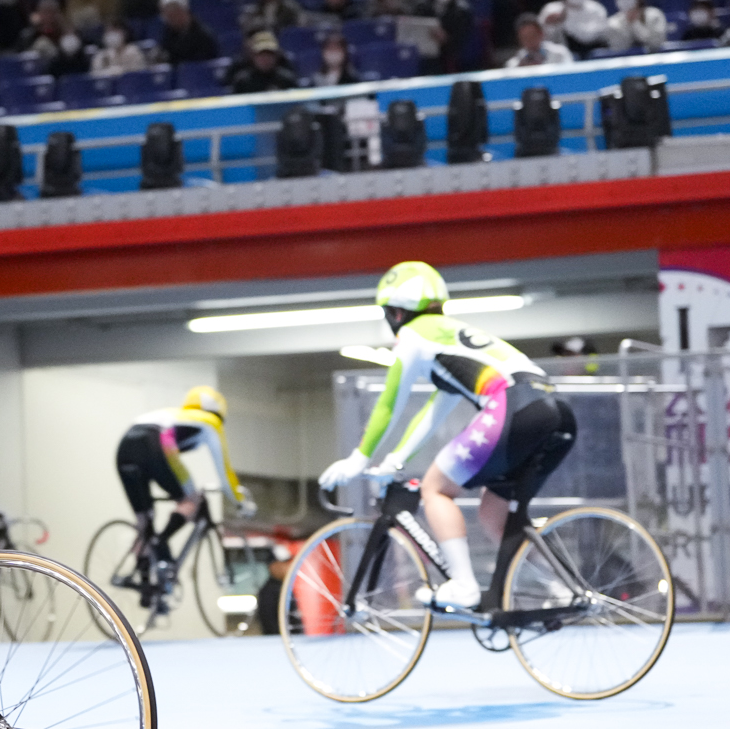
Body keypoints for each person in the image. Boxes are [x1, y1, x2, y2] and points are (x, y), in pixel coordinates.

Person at [318, 262, 575, 611]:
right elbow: (432, 412)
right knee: (495, 515)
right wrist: (396, 458)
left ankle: (464, 587)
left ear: (395, 312)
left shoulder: (414, 336)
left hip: (514, 404)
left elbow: (388, 405)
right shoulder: (450, 338)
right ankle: (562, 590)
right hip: (554, 408)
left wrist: (359, 457)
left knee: (435, 488)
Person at [111, 386, 254, 616]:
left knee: (143, 520)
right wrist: (239, 500)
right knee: (191, 499)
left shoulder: (174, 414)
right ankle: (161, 540)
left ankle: (146, 582)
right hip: (155, 445)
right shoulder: (210, 421)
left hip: (124, 449)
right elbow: (224, 470)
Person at [537, 0, 610, 57]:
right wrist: (548, 25)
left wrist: (565, 21)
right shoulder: (551, 9)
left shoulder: (596, 9)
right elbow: (540, 40)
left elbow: (590, 36)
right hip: (561, 59)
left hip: (592, 56)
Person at [427, 0, 477, 73]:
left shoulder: (463, 11)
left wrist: (446, 39)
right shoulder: (423, 5)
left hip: (448, 60)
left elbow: (463, 44)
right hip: (424, 55)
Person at [604, 0, 668, 52]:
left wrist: (636, 24)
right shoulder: (613, 22)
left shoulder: (654, 15)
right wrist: (628, 23)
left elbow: (657, 43)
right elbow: (618, 48)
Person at [157, 0, 220, 65]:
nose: (173, 18)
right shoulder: (167, 34)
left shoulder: (202, 35)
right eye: (168, 15)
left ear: (185, 11)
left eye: (176, 13)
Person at [225, 31, 298, 93]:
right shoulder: (242, 82)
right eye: (261, 55)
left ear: (276, 56)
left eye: (269, 54)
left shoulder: (287, 80)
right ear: (253, 56)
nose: (265, 59)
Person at [505, 14, 573, 67]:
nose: (529, 40)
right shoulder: (514, 64)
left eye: (532, 35)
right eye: (525, 37)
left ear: (541, 34)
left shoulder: (560, 54)